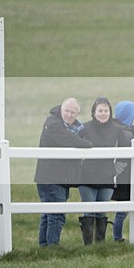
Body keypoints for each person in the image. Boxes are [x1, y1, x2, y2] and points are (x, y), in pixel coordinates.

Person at [34, 98, 94, 247]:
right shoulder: (54, 124)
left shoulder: (70, 126)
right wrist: (88, 144)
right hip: (51, 178)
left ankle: (44, 246)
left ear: (77, 113)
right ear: (61, 109)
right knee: (56, 214)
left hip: (54, 177)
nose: (69, 115)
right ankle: (52, 247)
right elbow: (75, 141)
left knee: (48, 213)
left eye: (73, 112)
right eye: (67, 111)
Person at [77, 97, 131, 245]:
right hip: (86, 177)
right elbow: (73, 147)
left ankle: (100, 245)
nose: (103, 113)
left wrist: (115, 170)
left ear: (110, 112)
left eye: (106, 110)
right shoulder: (84, 128)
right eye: (100, 110)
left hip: (107, 177)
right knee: (89, 211)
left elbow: (126, 152)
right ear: (94, 112)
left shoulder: (117, 130)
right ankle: (88, 246)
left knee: (102, 212)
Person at [110, 100, 134, 242]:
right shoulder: (126, 133)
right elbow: (124, 159)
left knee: (124, 208)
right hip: (124, 177)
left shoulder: (122, 128)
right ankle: (117, 237)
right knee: (122, 210)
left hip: (123, 176)